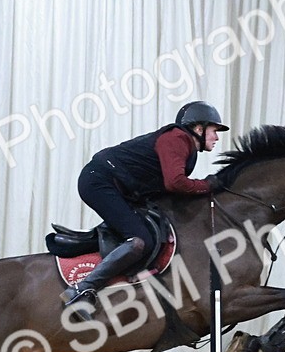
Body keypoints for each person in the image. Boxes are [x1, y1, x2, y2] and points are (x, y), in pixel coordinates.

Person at [60, 101, 230, 312]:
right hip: (98, 181)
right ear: (198, 128)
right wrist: (208, 185)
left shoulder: (186, 147)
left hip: (113, 184)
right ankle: (82, 289)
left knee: (149, 233)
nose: (217, 137)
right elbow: (175, 183)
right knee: (139, 241)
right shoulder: (177, 138)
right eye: (214, 131)